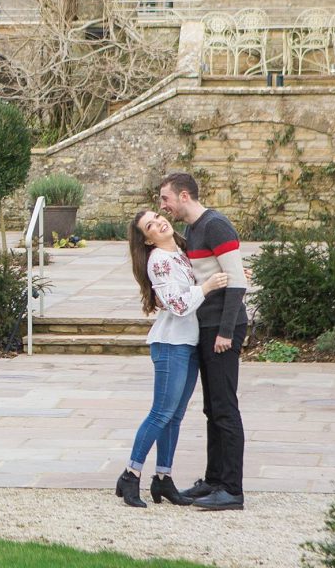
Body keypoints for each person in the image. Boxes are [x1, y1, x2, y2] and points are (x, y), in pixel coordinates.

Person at [115, 209, 228, 509]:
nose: (159, 222)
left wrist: (231, 275)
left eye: (157, 216)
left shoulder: (180, 252)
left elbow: (203, 273)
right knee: (161, 413)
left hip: (188, 343)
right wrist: (207, 287)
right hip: (170, 345)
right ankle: (130, 474)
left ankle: (163, 478)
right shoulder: (160, 261)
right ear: (147, 239)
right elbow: (178, 304)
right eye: (150, 225)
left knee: (174, 417)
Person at [159, 171, 248, 511]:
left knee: (225, 408)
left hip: (223, 329)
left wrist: (226, 331)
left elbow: (237, 282)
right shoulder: (194, 230)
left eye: (166, 199)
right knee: (212, 408)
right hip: (206, 327)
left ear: (184, 196)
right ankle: (213, 479)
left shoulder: (216, 225)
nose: (163, 206)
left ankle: (232, 489)